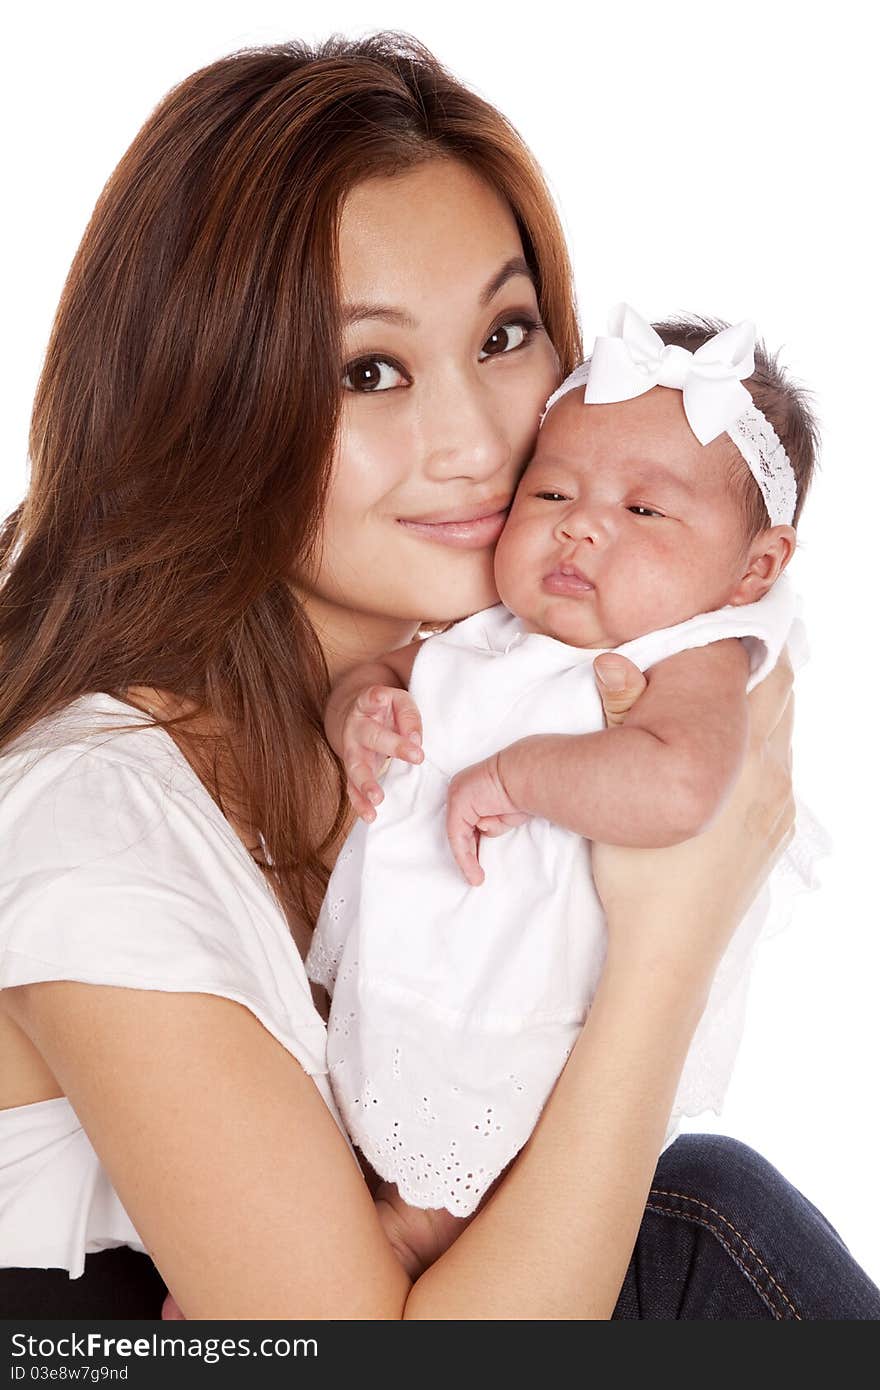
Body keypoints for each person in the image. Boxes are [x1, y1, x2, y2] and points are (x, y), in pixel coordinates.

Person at [1, 33, 877, 1320]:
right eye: (370, 371)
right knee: (702, 1227)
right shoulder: (93, 819)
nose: (477, 443)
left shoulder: (450, 716)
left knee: (703, 1212)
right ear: (207, 406)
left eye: (507, 333)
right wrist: (670, 940)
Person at [305, 307, 828, 1228]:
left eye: (644, 509)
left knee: (466, 1181)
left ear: (755, 570)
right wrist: (366, 707)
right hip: (425, 966)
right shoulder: (500, 623)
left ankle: (391, 1257)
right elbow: (395, 670)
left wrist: (519, 777)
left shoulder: (697, 653)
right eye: (551, 495)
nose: (580, 528)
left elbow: (677, 785)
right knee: (355, 1120)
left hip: (545, 1002)